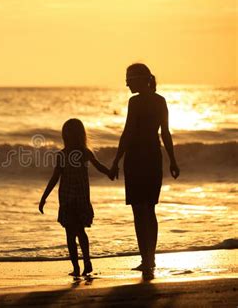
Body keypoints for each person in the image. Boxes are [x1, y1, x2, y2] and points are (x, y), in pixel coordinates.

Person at [110, 63, 180, 279]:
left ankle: (146, 259)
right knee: (149, 209)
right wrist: (173, 160)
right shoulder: (160, 101)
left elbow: (128, 131)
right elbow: (165, 134)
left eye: (129, 79)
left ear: (140, 79)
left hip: (136, 160)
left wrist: (116, 160)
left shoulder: (135, 102)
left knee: (139, 212)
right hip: (153, 158)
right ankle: (150, 258)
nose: (126, 84)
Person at [39, 118, 113, 278]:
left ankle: (85, 263)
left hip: (76, 200)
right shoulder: (67, 155)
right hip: (68, 200)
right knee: (73, 233)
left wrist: (109, 172)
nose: (69, 136)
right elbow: (55, 178)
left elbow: (98, 165)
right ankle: (78, 266)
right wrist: (44, 197)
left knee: (77, 232)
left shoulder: (82, 153)